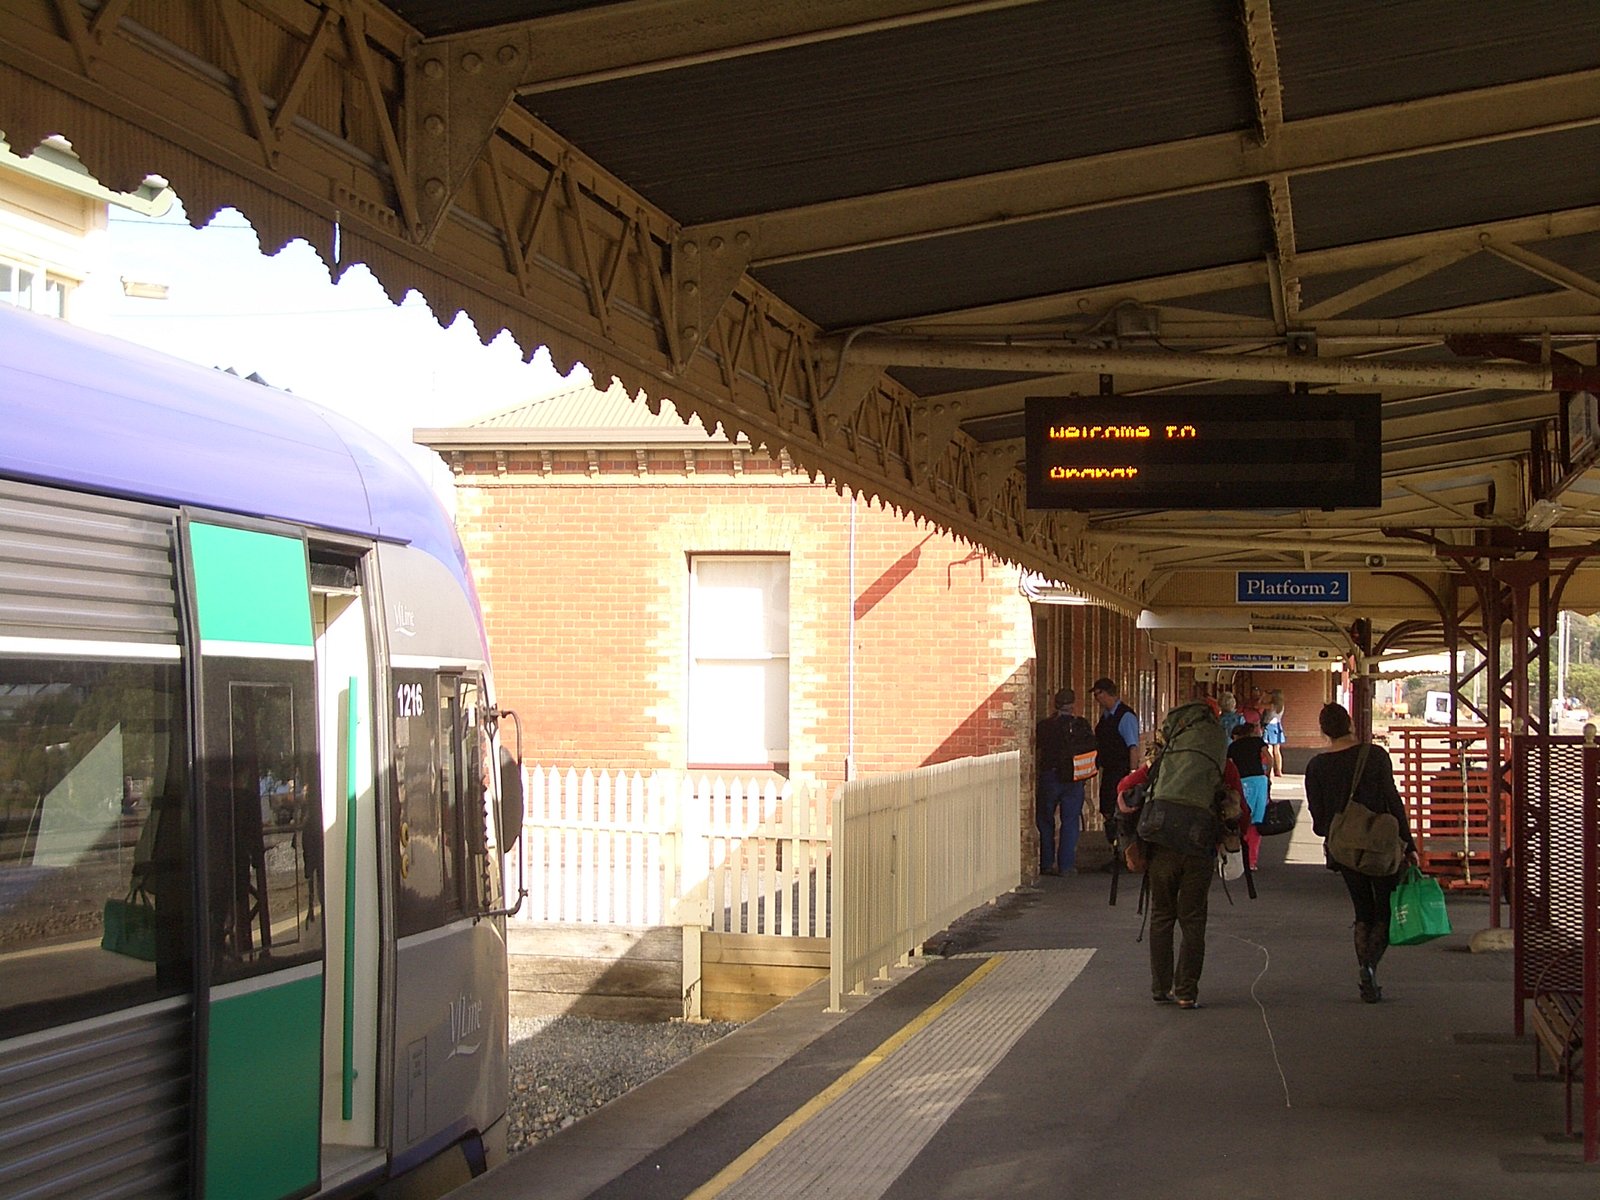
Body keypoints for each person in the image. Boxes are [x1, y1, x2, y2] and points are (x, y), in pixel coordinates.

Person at [1116, 699, 1245, 1009]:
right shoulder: (1220, 760)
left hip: (1161, 844)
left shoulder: (1165, 759)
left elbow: (1124, 787)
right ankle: (1186, 991)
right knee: (1193, 919)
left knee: (1162, 915)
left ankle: (1160, 988)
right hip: (1199, 846)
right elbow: (1242, 810)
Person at [1304, 702, 1419, 1003]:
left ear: (1323, 731)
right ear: (1351, 724)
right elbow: (1393, 800)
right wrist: (1410, 844)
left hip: (1345, 849)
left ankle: (1363, 967)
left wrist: (1338, 830)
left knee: (1362, 911)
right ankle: (1370, 966)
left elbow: (1318, 820)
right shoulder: (1375, 756)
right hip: (1381, 846)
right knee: (1384, 911)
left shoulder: (1316, 766)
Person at [1035, 688, 1093, 875]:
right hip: (1073, 777)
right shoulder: (1081, 725)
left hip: (1050, 776)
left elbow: (1037, 749)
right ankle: (1066, 866)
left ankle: (1045, 863)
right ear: (1073, 704)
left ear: (1055, 703)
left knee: (1045, 820)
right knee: (1070, 821)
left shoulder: (1044, 726)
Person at [1092, 677, 1140, 846]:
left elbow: (1133, 747)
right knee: (1107, 808)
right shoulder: (1106, 716)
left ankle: (1121, 851)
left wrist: (1133, 775)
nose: (1096, 699)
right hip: (1109, 769)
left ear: (1106, 693)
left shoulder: (1125, 716)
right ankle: (1114, 848)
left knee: (1119, 810)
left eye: (1098, 694)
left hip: (1121, 771)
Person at [1228, 721, 1269, 870]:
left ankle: (1238, 857)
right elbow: (1268, 759)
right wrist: (1267, 776)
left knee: (1240, 817)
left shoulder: (1233, 747)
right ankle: (1252, 861)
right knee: (1256, 821)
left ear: (1236, 735)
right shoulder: (1258, 741)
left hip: (1242, 782)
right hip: (1259, 782)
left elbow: (1230, 767)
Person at [1262, 690, 1287, 778]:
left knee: (1269, 750)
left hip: (1269, 726)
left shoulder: (1271, 705)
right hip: (1278, 726)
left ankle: (1271, 770)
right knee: (1277, 751)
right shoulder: (1281, 706)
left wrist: (1262, 696)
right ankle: (1279, 770)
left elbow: (1258, 705)